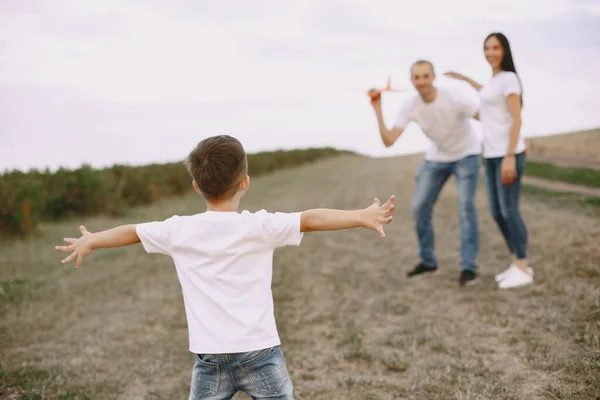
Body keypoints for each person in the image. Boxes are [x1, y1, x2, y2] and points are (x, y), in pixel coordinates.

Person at [54, 134, 396, 400]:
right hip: (260, 353)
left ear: (196, 186)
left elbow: (132, 231)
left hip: (210, 360)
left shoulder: (178, 230)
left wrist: (93, 239)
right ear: (245, 182)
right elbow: (311, 218)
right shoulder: (259, 226)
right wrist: (360, 217)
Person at [369, 60, 482, 286]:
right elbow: (389, 141)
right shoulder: (411, 106)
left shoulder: (454, 96)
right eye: (417, 78)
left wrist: (515, 142)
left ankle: (469, 267)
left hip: (467, 154)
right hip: (437, 158)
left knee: (465, 208)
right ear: (412, 81)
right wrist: (378, 109)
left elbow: (487, 117)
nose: (421, 82)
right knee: (419, 206)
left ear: (433, 77)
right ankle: (428, 260)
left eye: (425, 76)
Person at [445, 32, 533, 289]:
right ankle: (516, 260)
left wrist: (510, 154)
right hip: (492, 154)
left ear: (504, 50)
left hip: (508, 154)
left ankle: (523, 267)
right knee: (496, 212)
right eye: (487, 48)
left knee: (509, 210)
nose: (490, 52)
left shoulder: (510, 79)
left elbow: (516, 119)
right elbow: (488, 95)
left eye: (495, 47)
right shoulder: (495, 80)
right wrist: (464, 79)